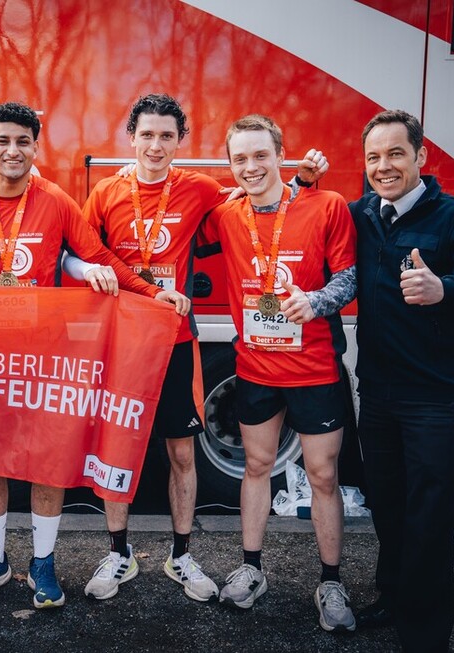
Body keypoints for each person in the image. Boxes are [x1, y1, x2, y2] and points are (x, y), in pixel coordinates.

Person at [65, 94, 329, 604]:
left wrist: (302, 183)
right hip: (120, 344)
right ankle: (119, 553)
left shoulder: (201, 189)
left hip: (176, 343)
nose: (156, 145)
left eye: (167, 135)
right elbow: (83, 254)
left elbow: (260, 206)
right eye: (147, 134)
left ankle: (181, 556)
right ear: (131, 136)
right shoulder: (104, 194)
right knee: (115, 451)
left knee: (182, 455)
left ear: (180, 140)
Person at [0, 101, 191, 610]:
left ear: (36, 148)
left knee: (44, 460)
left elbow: (98, 258)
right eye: (3, 141)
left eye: (23, 142)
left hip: (45, 355)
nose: (13, 151)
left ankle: (43, 562)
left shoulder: (56, 201)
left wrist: (149, 291)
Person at [351, 110, 454, 652]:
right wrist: (299, 182)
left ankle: (425, 631)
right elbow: (305, 221)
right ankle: (394, 597)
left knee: (429, 513)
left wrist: (445, 289)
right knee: (388, 505)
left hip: (434, 396)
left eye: (395, 153)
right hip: (377, 390)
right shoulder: (362, 215)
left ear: (421, 156)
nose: (384, 166)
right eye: (373, 157)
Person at [197, 114, 358, 631]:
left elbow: (349, 276)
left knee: (323, 476)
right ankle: (251, 569)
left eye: (260, 155)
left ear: (281, 154)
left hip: (313, 367)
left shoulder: (326, 204)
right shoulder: (227, 215)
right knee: (257, 467)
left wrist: (317, 301)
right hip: (257, 367)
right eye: (239, 158)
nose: (251, 166)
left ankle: (330, 580)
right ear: (230, 165)